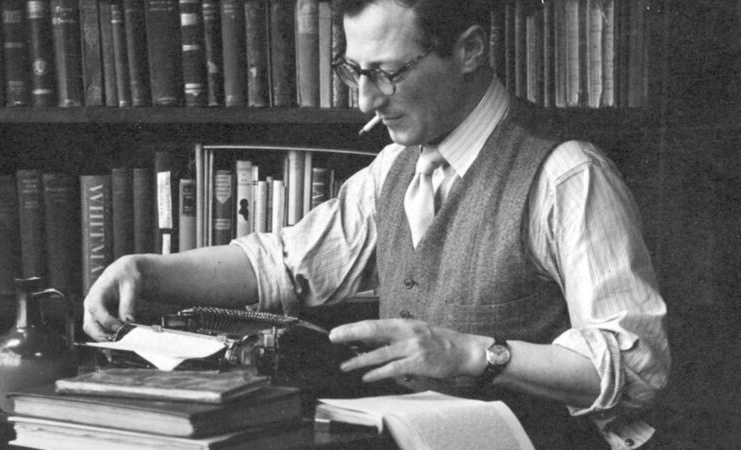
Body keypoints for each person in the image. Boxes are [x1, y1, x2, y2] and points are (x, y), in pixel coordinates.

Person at [83, 0, 670, 448]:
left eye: (387, 73)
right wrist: (147, 271)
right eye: (353, 71)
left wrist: (470, 354)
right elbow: (287, 263)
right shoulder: (395, 166)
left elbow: (636, 364)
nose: (365, 99)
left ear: (468, 51)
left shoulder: (567, 174)